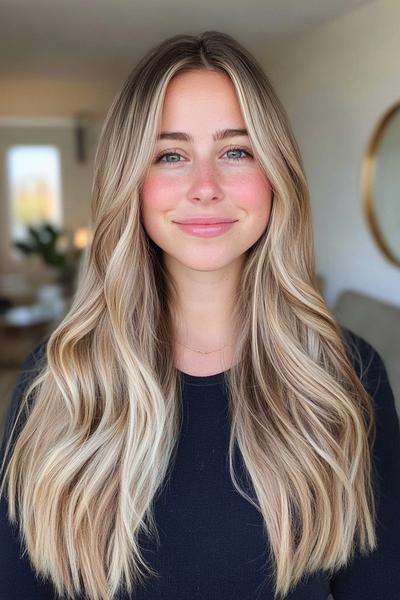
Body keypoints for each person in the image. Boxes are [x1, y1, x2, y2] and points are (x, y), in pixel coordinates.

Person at [0, 30, 399, 600]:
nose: (205, 187)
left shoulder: (348, 374)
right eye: (170, 155)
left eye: (236, 151)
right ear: (130, 184)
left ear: (276, 173)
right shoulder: (59, 378)